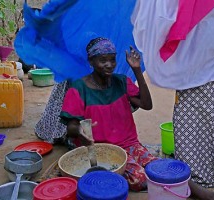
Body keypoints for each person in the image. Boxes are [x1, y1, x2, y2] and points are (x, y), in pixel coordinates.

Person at [130, 0, 214, 198]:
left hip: (196, 80)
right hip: (210, 73)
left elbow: (167, 17)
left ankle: (213, 177)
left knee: (195, 122)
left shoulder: (198, 27)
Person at [59, 37, 157, 191]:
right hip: (99, 149)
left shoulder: (121, 82)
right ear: (91, 61)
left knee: (156, 169)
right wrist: (79, 131)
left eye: (112, 60)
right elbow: (71, 127)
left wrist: (137, 71)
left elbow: (147, 105)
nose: (109, 65)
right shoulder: (79, 88)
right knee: (140, 180)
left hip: (129, 143)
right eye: (103, 60)